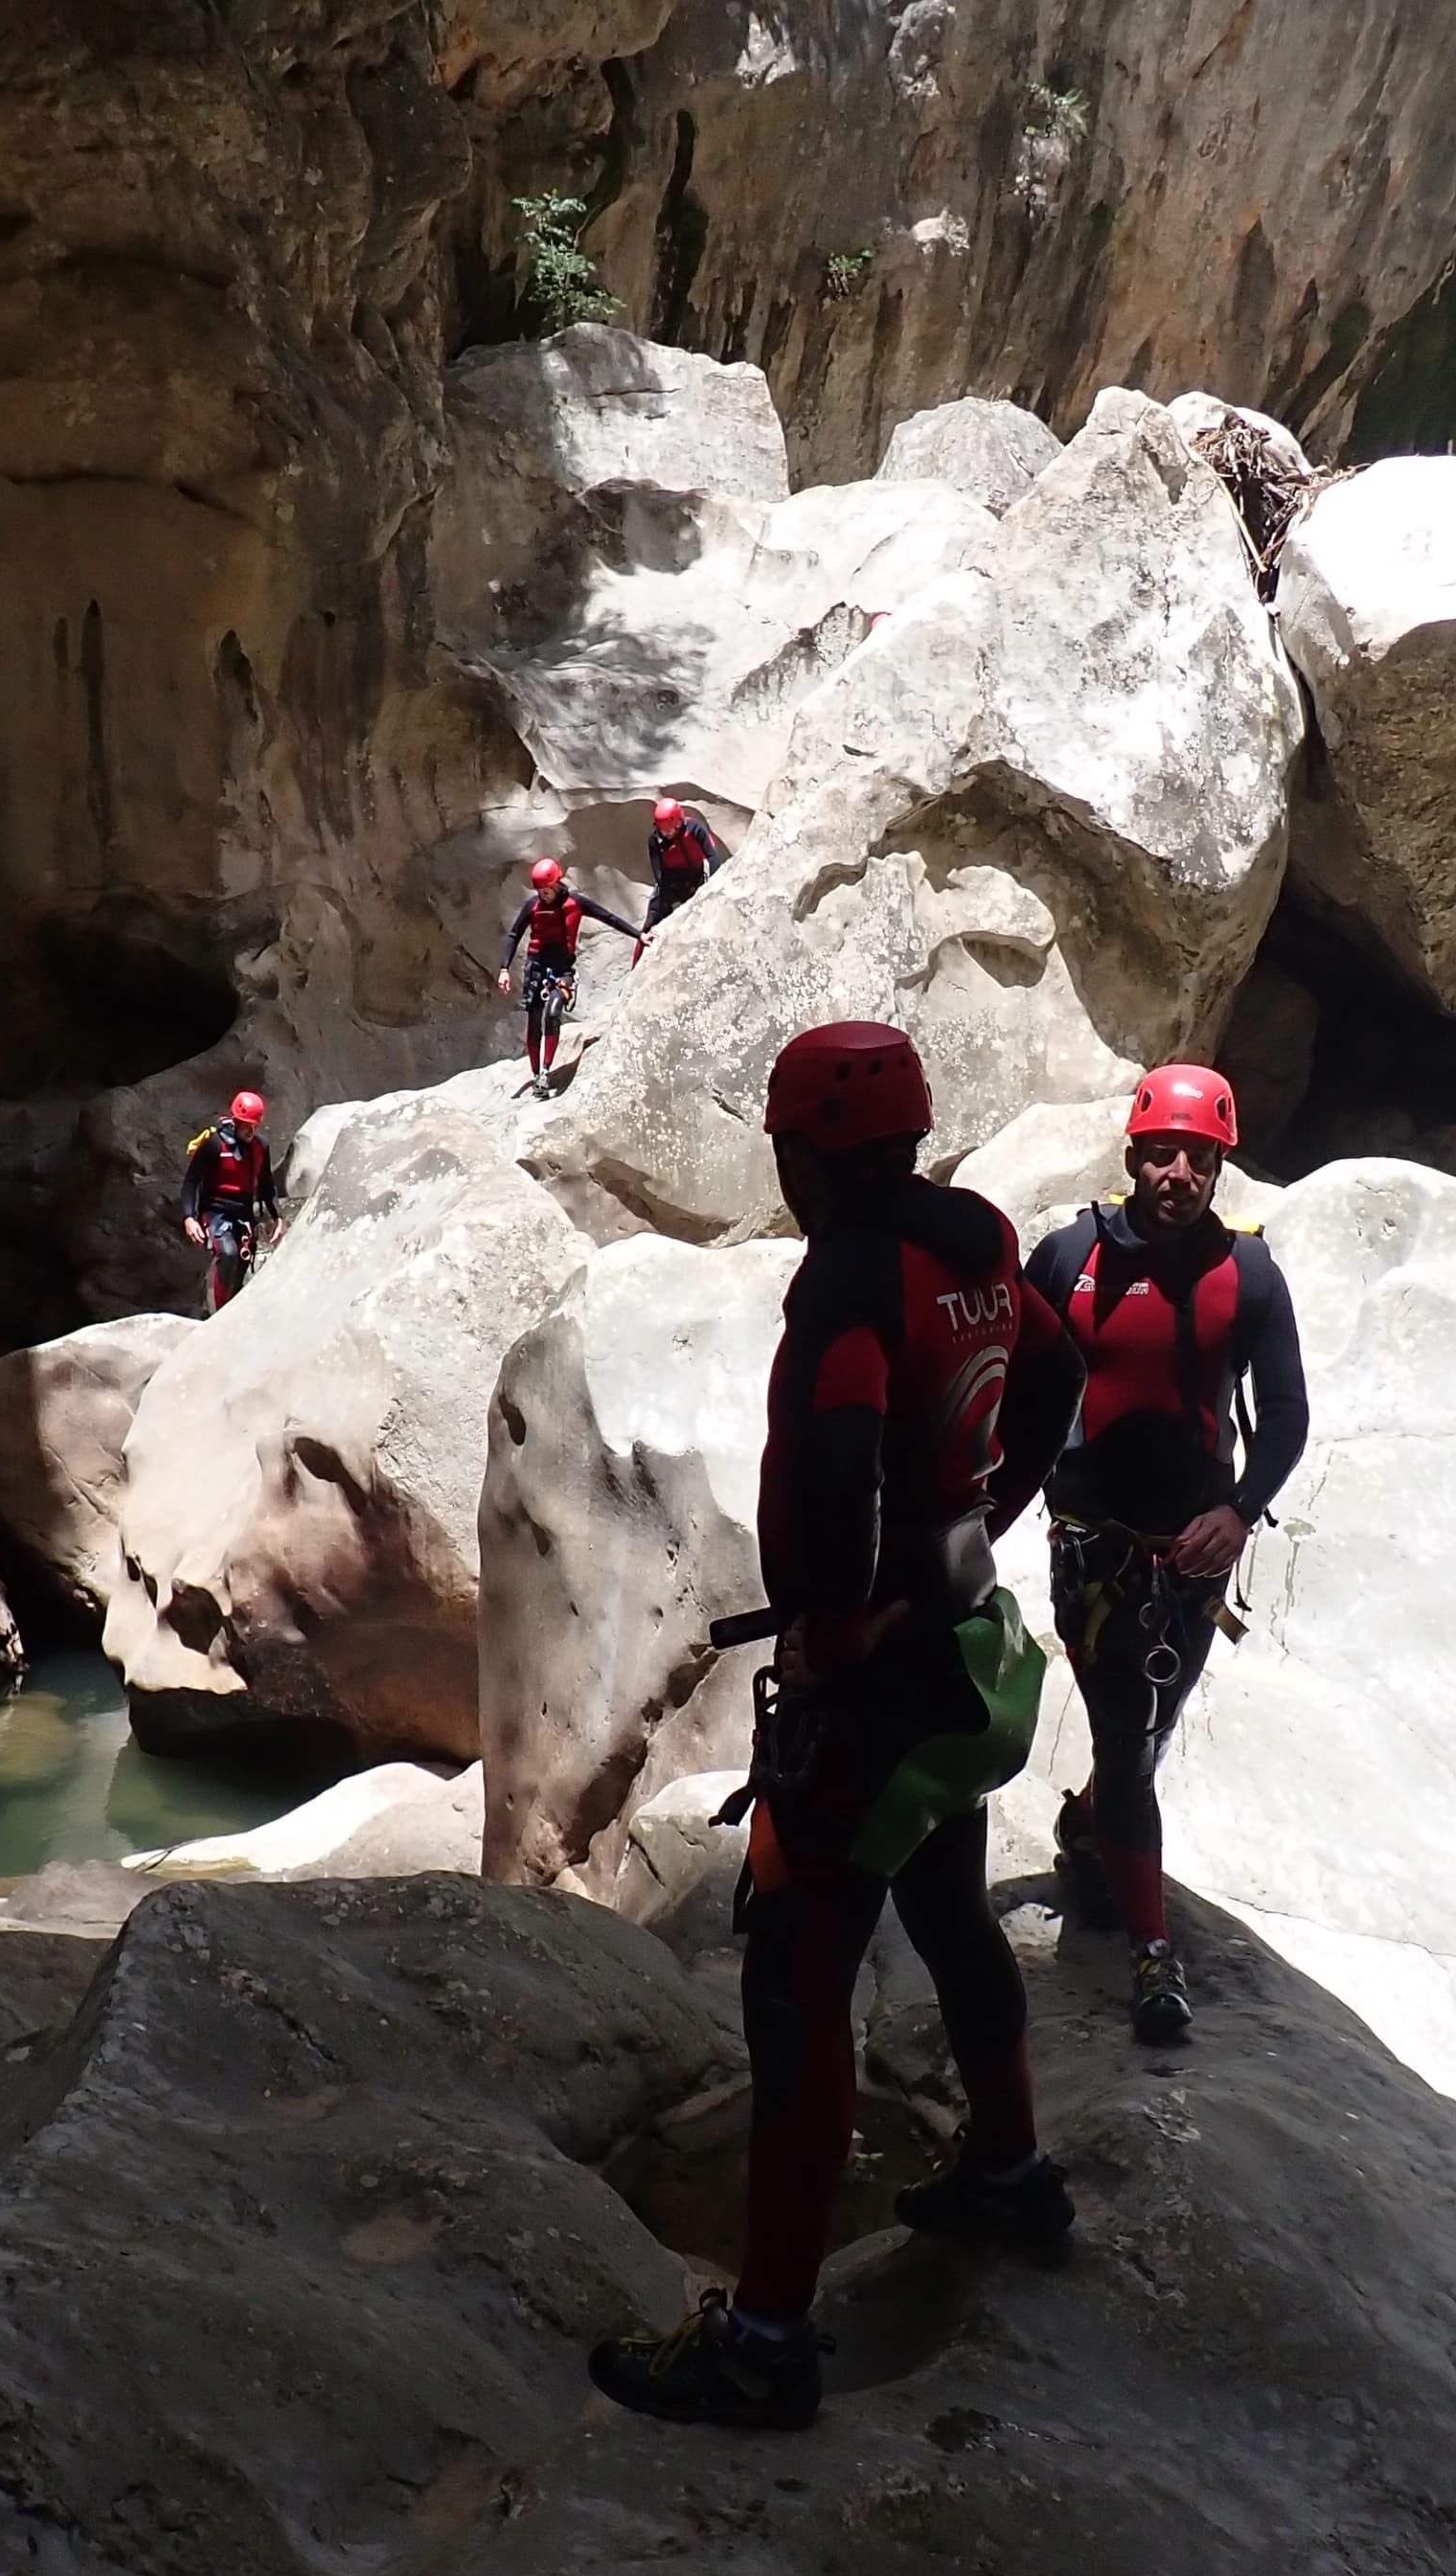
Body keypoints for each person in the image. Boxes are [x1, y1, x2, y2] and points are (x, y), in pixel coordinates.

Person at [590, 1021, 1086, 2432]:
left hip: (870, 1674)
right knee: (951, 1913)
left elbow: (839, 1451)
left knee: (797, 1992)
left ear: (809, 1151)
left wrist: (825, 1621)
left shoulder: (849, 1277)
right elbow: (1047, 1375)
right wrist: (993, 1511)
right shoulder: (979, 1239)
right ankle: (1008, 2173)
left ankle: (764, 2339)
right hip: (953, 1638)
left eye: (784, 1150)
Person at [1023, 1062, 1308, 2044]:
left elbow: (1285, 1417)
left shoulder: (1251, 1277)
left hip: (1194, 1547)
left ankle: (1091, 1826)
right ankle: (1151, 1957)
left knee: (1152, 1722)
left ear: (1221, 1165)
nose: (1178, 1171)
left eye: (1198, 1155)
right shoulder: (1068, 1260)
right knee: (1125, 1737)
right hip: (1095, 1546)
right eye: (1162, 1152)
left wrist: (1242, 1510)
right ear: (1133, 1156)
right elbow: (1014, 1393)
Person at [495, 857, 642, 1097]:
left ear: (556, 884)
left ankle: (545, 1070)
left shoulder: (576, 903)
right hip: (536, 967)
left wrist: (639, 936)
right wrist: (504, 968)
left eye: (546, 890)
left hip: (562, 970)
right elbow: (514, 935)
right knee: (533, 1024)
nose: (543, 895)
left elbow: (609, 918)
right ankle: (536, 1076)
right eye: (539, 891)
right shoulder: (532, 906)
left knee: (553, 1013)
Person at [177, 1089, 284, 1313]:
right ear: (236, 1120)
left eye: (255, 1125)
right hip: (215, 1213)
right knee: (228, 1254)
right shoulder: (214, 1145)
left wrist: (278, 1217)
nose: (251, 1130)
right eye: (247, 1124)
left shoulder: (260, 1148)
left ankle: (230, 1311)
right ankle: (220, 1316)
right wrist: (189, 1217)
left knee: (241, 1265)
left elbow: (266, 1184)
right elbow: (191, 1182)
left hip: (244, 1214)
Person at [644, 797, 727, 931]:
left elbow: (712, 856)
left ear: (678, 824)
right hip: (669, 884)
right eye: (663, 831)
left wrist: (713, 885)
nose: (666, 835)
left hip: (694, 881)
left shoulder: (694, 829)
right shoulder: (655, 839)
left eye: (669, 831)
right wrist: (669, 899)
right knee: (649, 925)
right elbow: (658, 873)